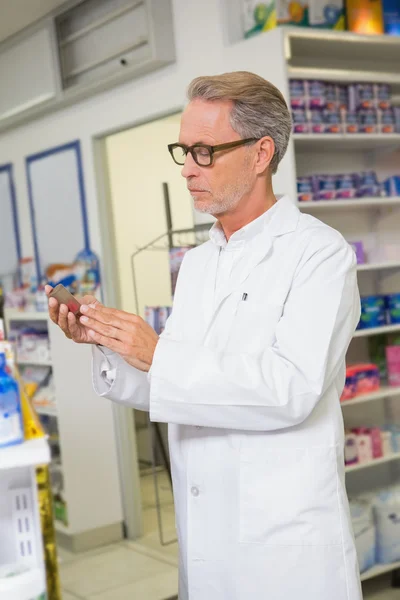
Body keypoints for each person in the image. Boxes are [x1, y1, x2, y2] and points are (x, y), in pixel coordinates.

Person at [47, 71, 362, 600]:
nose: (188, 169)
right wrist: (111, 343)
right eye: (183, 150)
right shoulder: (196, 263)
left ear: (261, 154)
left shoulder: (319, 255)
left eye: (203, 151)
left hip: (283, 552)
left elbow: (291, 390)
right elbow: (178, 389)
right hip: (206, 540)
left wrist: (159, 354)